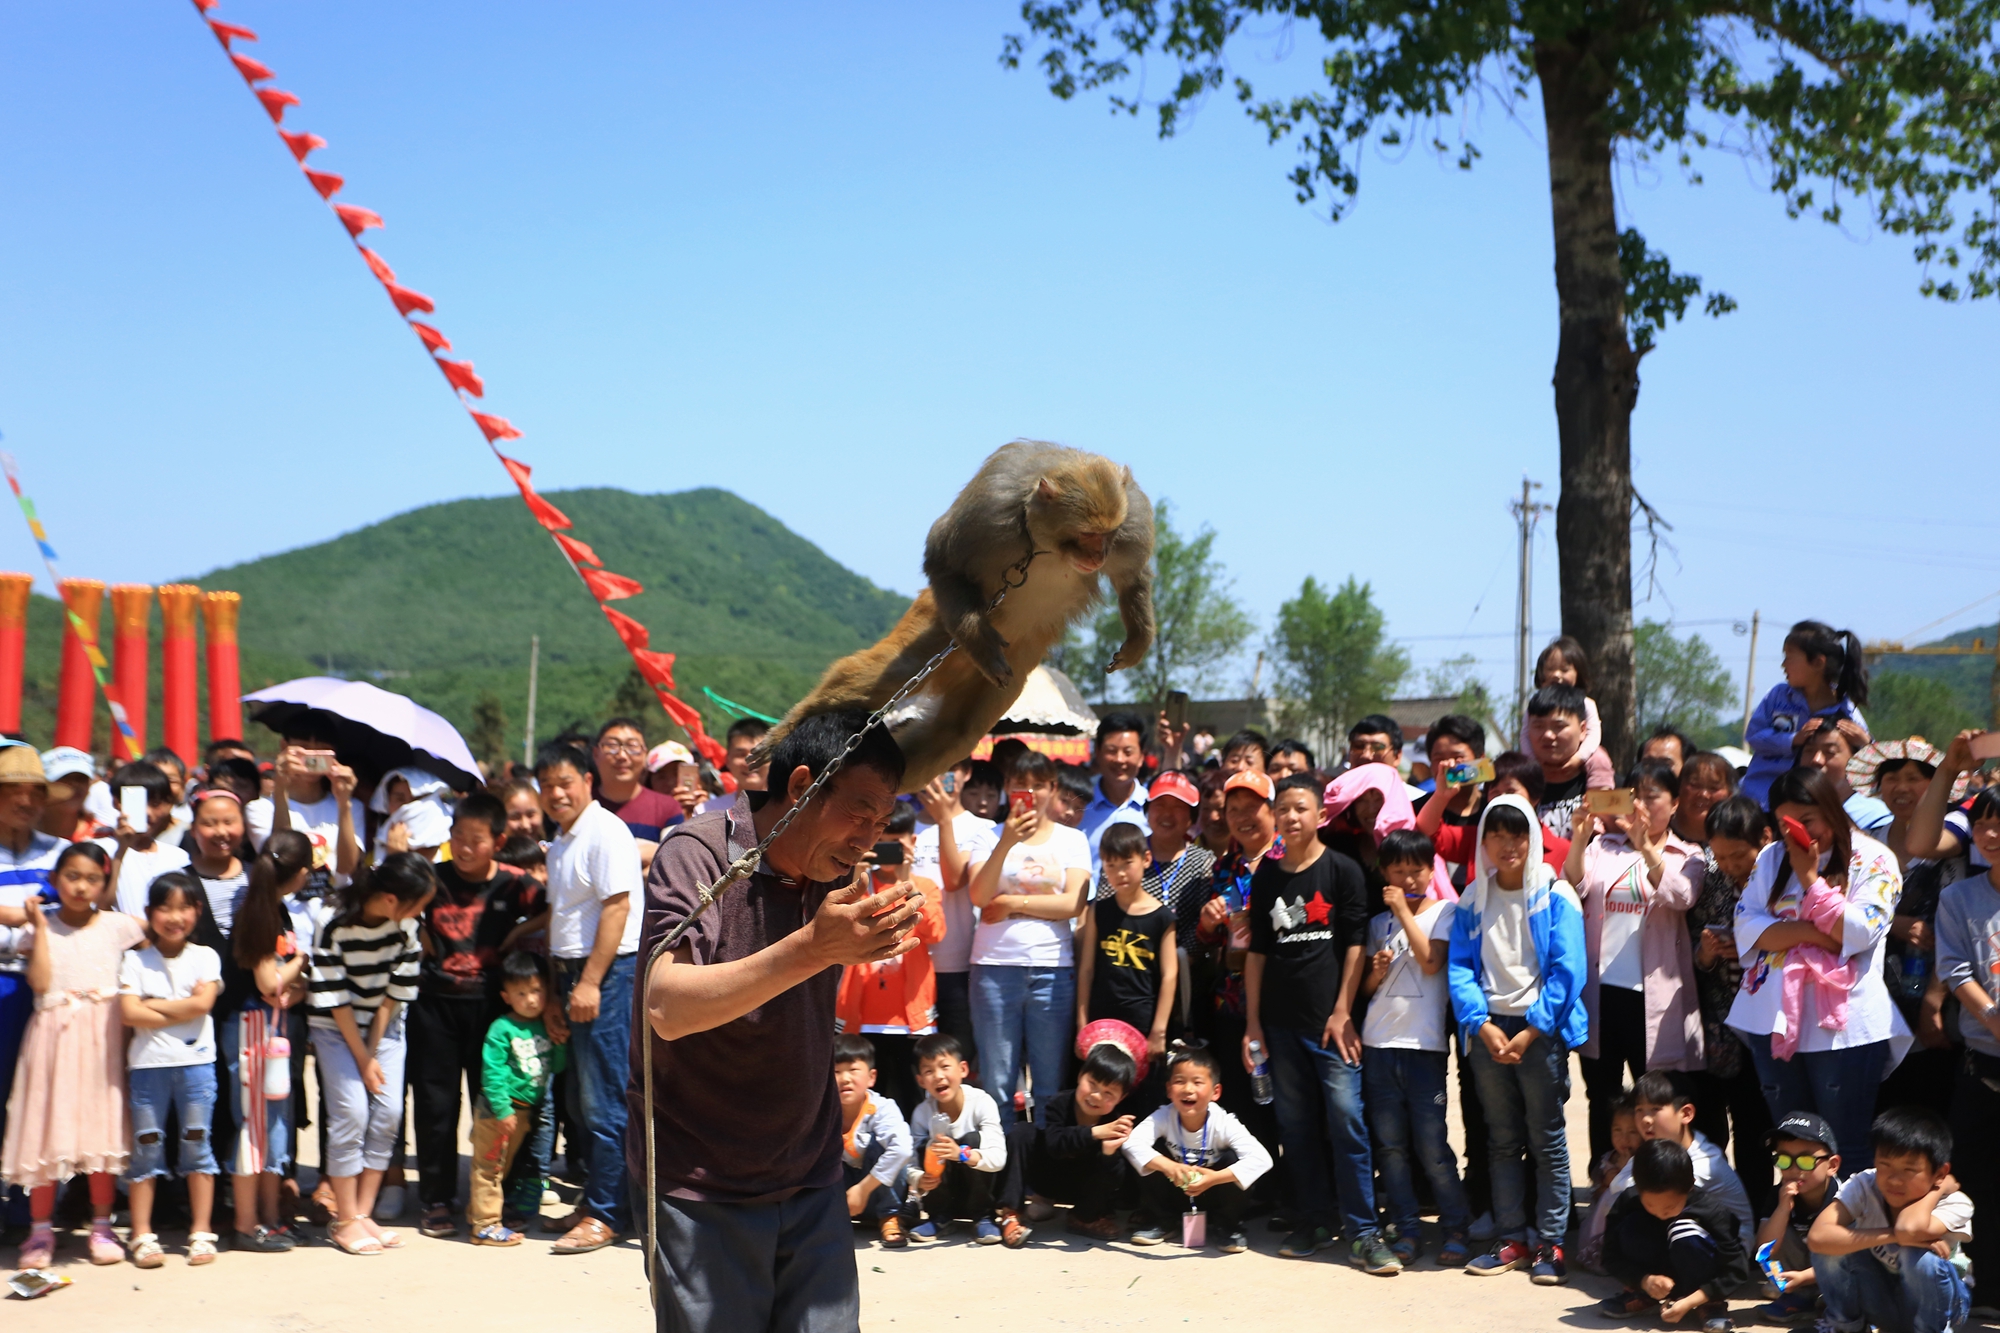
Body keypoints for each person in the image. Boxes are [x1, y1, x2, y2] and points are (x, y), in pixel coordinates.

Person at [634, 709, 919, 1333]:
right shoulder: (701, 853)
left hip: (811, 1170)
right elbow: (665, 1006)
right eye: (858, 812)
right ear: (799, 788)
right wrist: (815, 947)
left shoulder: (836, 875)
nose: (866, 838)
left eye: (881, 821)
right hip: (700, 1182)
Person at [1725, 766, 1906, 1172]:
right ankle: (1800, 1230)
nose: (1797, 833)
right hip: (1771, 1019)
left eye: (1807, 820)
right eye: (1786, 823)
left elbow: (1859, 933)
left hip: (1844, 1028)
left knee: (1845, 1146)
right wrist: (1813, 932)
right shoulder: (1772, 858)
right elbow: (1747, 928)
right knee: (1792, 1147)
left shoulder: (1874, 857)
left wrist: (1810, 880)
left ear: (1831, 809)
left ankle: (1845, 1233)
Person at [1242, 775, 1389, 1271]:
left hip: (1331, 1027)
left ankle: (1365, 1232)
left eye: (1300, 808)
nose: (1291, 817)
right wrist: (1253, 1024)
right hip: (1279, 1028)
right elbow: (1257, 953)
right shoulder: (1267, 878)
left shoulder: (1343, 870)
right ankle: (1314, 1219)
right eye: (1282, 809)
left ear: (1320, 815)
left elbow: (1354, 945)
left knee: (1348, 1122)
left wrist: (1344, 1011)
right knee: (1296, 1128)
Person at [1448, 795, 1588, 1283]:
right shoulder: (1472, 897)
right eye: (1497, 835)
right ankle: (1511, 1239)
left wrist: (1532, 1030)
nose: (1508, 845)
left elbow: (1569, 971)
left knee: (1546, 1138)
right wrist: (1480, 1024)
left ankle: (1550, 1244)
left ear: (1533, 838)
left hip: (1539, 1033)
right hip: (1488, 1031)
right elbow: (1461, 969)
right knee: (1502, 1140)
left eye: (1518, 834)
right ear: (1483, 841)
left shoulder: (1557, 894)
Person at [2, 842, 146, 1269]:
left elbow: (158, 942)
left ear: (105, 884)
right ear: (54, 880)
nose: (81, 887)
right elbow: (41, 981)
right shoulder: (39, 927)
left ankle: (102, 1225)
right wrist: (39, 928)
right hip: (52, 1039)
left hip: (102, 1039)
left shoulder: (119, 926)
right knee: (46, 1129)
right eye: (72, 876)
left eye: (93, 879)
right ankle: (40, 1229)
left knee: (100, 1129)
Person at [409, 791, 542, 1240]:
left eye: (475, 839)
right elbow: (396, 905)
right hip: (436, 1006)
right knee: (436, 1105)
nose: (463, 847)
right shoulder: (432, 877)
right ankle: (436, 1199)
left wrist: (519, 931)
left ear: (498, 840)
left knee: (499, 1104)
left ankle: (496, 1199)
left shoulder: (515, 882)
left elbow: (550, 911)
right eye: (457, 836)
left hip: (491, 1006)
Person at [1566, 757, 1705, 1172]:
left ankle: (1658, 1180)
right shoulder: (1603, 846)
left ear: (1675, 803)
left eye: (1653, 796)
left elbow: (1681, 896)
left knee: (1656, 1101)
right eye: (1635, 797)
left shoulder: (1689, 854)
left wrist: (1646, 846)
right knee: (1604, 1097)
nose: (1642, 805)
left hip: (1654, 1003)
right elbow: (1574, 883)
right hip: (1602, 994)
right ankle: (1603, 1179)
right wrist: (1577, 838)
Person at [537, 738, 643, 1253]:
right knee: (582, 1103)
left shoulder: (606, 832)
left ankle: (607, 1214)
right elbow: (565, 920)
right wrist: (562, 988)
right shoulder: (561, 841)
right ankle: (599, 1200)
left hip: (609, 974)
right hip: (573, 975)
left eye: (565, 782)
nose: (556, 793)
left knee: (604, 1103)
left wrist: (590, 981)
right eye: (547, 785)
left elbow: (618, 909)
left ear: (587, 782)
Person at [307, 852, 432, 1256]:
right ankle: (343, 1220)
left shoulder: (408, 927)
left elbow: (392, 998)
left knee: (388, 1111)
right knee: (351, 1113)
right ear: (393, 899)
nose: (422, 911)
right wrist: (362, 1060)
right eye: (419, 902)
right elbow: (335, 1000)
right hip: (335, 1030)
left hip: (385, 1028)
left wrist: (372, 1052)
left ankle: (362, 1213)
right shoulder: (332, 922)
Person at [1360, 827, 1469, 1267]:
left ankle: (1455, 1226)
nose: (1407, 879)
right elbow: (1368, 991)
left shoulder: (1445, 911)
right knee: (1390, 1147)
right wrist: (1376, 970)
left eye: (1416, 870)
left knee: (1432, 1145)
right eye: (1398, 871)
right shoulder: (1374, 924)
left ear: (1431, 870)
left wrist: (1404, 912)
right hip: (1378, 1043)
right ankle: (1405, 1228)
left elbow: (1429, 962)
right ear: (1384, 872)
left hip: (1423, 1047)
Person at [966, 749, 1092, 1121]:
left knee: (1050, 1085)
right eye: (1021, 785)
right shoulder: (987, 836)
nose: (1030, 793)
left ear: (1053, 789)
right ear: (1008, 788)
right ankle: (1003, 1170)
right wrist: (1006, 841)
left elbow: (1072, 904)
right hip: (993, 969)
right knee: (998, 1082)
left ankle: (1044, 1171)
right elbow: (978, 894)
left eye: (1039, 785)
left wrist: (1011, 905)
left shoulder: (1072, 839)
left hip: (1052, 969)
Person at [118, 872, 224, 1268]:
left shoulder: (206, 956)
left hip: (197, 1067)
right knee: (146, 1147)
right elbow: (129, 1013)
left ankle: (201, 1232)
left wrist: (153, 1005)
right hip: (148, 1068)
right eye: (165, 907)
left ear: (197, 911)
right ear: (149, 913)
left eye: (184, 907)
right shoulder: (134, 959)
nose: (174, 917)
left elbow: (202, 1007)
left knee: (198, 1146)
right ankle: (142, 1234)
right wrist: (181, 1007)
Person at [222, 830, 314, 1253]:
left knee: (272, 1128)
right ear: (302, 873)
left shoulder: (273, 909)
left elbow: (281, 989)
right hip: (252, 1030)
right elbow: (267, 980)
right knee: (253, 1129)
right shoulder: (261, 913)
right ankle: (246, 1224)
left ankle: (271, 1219)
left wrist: (292, 987)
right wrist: (300, 963)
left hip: (272, 1028)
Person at [1685, 796, 1777, 1217]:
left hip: (1770, 1025)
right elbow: (1691, 955)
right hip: (1719, 1023)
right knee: (1710, 1128)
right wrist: (1707, 953)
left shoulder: (1783, 878)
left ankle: (1759, 1212)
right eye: (1719, 856)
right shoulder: (1710, 878)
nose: (1729, 865)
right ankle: (1718, 1215)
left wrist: (1748, 945)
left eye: (1738, 855)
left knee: (1757, 1128)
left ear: (1765, 838)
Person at [1807, 1107, 1972, 1333]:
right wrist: (1894, 1234)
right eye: (1884, 1165)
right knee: (1831, 1246)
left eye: (1909, 1169)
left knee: (1917, 1256)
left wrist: (1937, 1189)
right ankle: (1844, 1327)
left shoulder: (1955, 1202)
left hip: (1942, 1309)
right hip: (1884, 1301)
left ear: (1940, 1172)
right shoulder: (1866, 1183)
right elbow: (1818, 1237)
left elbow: (1910, 1227)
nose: (1894, 1180)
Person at [834, 801, 945, 1114]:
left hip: (911, 1019)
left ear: (913, 842)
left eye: (895, 844)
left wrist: (908, 883)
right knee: (864, 1103)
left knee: (913, 1101)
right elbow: (839, 925)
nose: (887, 852)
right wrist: (858, 877)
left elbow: (936, 932)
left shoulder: (924, 886)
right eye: (880, 844)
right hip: (861, 1014)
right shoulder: (854, 885)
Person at [1933, 787, 2000, 1284]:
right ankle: (1983, 1285)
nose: (1991, 835)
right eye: (1981, 826)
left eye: (1999, 825)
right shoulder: (1959, 898)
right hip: (1982, 1065)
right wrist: (1995, 1018)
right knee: (1976, 1180)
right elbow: (1955, 969)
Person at [1122, 1042, 1270, 1253]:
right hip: (1177, 1190)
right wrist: (1169, 1167)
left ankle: (1227, 1225)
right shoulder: (1164, 1115)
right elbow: (1131, 1142)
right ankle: (1164, 1221)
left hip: (1214, 1193)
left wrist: (1214, 1178)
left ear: (1215, 1092)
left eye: (1197, 1082)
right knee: (1150, 1155)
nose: (1188, 1089)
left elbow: (1262, 1159)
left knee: (1233, 1159)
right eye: (1179, 1082)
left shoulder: (1224, 1122)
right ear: (1168, 1090)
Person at [1598, 1139, 1750, 1333]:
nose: (1661, 1213)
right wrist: (1644, 1280)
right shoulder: (1628, 1202)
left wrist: (1695, 1299)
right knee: (1631, 1226)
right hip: (1655, 1273)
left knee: (1682, 1230)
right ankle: (1645, 1295)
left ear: (1690, 1187)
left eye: (1670, 1207)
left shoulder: (1711, 1211)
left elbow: (1736, 1269)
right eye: (1650, 1205)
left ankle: (1711, 1304)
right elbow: (1610, 1255)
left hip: (1699, 1277)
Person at [466, 951, 565, 1247]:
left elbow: (556, 1068)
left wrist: (560, 1043)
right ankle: (484, 1226)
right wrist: (502, 1109)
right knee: (490, 1167)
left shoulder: (542, 1025)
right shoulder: (502, 1028)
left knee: (502, 1167)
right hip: (498, 1112)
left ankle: (480, 1214)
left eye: (536, 991)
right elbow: (492, 1072)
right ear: (506, 996)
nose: (531, 999)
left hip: (523, 1112)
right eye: (521, 993)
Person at [996, 1043, 1138, 1242]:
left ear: (1121, 1098)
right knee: (1022, 1132)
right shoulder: (1059, 1103)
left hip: (1082, 1189)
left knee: (1114, 1162)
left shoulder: (1116, 1121)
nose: (1096, 1096)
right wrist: (1095, 1132)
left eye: (1108, 1093)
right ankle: (1010, 1213)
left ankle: (1083, 1218)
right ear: (1081, 1076)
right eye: (1093, 1084)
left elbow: (1116, 1177)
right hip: (1048, 1176)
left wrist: (1109, 1153)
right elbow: (1054, 1144)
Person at [0, 743, 63, 1159]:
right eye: (13, 790)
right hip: (2, 981)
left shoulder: (60, 851)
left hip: (49, 984)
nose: (26, 800)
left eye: (35, 791)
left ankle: (28, 1209)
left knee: (39, 1092)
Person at [913, 760, 997, 1070]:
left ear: (966, 773)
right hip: (906, 962)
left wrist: (944, 819)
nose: (938, 776)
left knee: (957, 1060)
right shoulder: (900, 822)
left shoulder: (983, 828)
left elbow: (954, 880)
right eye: (934, 764)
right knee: (914, 1064)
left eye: (949, 767)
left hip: (959, 963)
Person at [1076, 822, 1177, 1068]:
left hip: (1142, 1017)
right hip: (1102, 1017)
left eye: (1126, 864)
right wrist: (1082, 1024)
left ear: (1145, 859)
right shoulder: (1098, 911)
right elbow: (1087, 969)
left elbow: (1169, 974)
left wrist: (1159, 1030)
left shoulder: (1162, 917)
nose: (1120, 873)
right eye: (1111, 866)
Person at [1743, 620, 1872, 809]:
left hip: (1810, 807)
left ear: (1818, 663)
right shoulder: (1778, 696)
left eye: (1789, 657)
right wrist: (1793, 740)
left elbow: (1872, 758)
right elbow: (1753, 736)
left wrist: (1866, 742)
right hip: (1759, 800)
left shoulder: (1845, 710)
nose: (1783, 664)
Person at [903, 1032, 1011, 1245]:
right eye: (929, 1071)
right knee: (930, 1145)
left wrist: (961, 1153)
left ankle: (983, 1217)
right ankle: (940, 1218)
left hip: (981, 1190)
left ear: (963, 1069)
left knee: (971, 1138)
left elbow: (998, 1158)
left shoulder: (982, 1102)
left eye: (945, 1067)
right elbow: (909, 1162)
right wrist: (918, 1179)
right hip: (943, 1191)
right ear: (921, 1081)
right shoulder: (922, 1113)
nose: (938, 1076)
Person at [1752, 1111, 1844, 1325]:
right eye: (1783, 1159)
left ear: (1832, 1165)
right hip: (1799, 1275)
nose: (1793, 1169)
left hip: (1840, 1274)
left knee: (1837, 1240)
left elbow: (1853, 1258)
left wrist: (1808, 1277)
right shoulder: (1779, 1194)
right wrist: (1783, 1209)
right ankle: (1801, 1298)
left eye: (1805, 1160)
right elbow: (1765, 1249)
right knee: (1778, 1229)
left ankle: (1833, 1300)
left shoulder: (1846, 1196)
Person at [832, 1034, 913, 1247]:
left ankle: (890, 1217)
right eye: (836, 1072)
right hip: (843, 1198)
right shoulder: (822, 1112)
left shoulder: (884, 1108)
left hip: (877, 1192)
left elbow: (903, 1149)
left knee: (881, 1145)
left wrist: (863, 1189)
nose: (845, 1078)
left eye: (853, 1070)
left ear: (871, 1077)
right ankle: (830, 1217)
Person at [1140, 771, 1216, 972]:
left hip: (1187, 972)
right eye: (1160, 804)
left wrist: (1176, 963)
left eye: (1178, 807)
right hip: (1133, 971)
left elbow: (1204, 924)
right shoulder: (1130, 854)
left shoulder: (1204, 862)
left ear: (1191, 818)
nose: (1167, 813)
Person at [100, 759, 191, 917]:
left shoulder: (178, 857)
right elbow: (99, 908)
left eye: (155, 804)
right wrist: (120, 852)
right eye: (138, 803)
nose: (148, 812)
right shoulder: (100, 851)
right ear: (117, 803)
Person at [1523, 684, 1614, 841]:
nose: (1548, 735)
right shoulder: (1516, 783)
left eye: (1559, 726)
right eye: (1538, 726)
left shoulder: (1610, 783)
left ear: (1583, 730)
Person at [1516, 637, 1609, 780]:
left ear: (1578, 674)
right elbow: (1525, 735)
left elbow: (1594, 733)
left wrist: (1579, 757)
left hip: (1581, 754)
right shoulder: (1534, 705)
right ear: (1541, 674)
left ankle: (1598, 793)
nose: (1556, 675)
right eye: (1550, 669)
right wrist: (1533, 759)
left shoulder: (1587, 703)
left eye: (1564, 670)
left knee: (1599, 759)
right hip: (1540, 758)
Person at [593, 717, 683, 860]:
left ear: (644, 754)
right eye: (612, 746)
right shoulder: (583, 806)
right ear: (596, 753)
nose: (622, 755)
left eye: (632, 746)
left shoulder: (668, 808)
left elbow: (673, 861)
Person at [1078, 712, 1151, 870]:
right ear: (1097, 752)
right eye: (1111, 750)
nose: (1119, 759)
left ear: (1141, 757)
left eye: (1128, 752)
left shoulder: (1154, 808)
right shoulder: (1076, 806)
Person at [1800, 721, 1895, 834]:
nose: (1816, 760)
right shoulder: (1790, 810)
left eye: (1830, 752)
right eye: (1809, 750)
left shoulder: (1875, 818)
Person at [184, 788, 250, 935]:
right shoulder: (181, 879)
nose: (221, 831)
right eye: (209, 824)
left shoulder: (255, 875)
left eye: (229, 822)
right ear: (193, 830)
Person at [1346, 714, 1424, 801]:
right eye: (1358, 746)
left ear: (1397, 756)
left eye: (1378, 747)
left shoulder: (1418, 803)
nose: (1366, 755)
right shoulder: (1336, 801)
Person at [37, 745, 103, 842]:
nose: (75, 784)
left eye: (81, 778)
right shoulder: (20, 835)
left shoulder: (103, 835)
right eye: (64, 777)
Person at [1672, 752, 1737, 848]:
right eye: (1695, 785)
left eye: (1713, 788)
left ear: (1730, 795)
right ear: (1679, 788)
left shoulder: (1738, 838)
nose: (1704, 794)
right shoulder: (1657, 833)